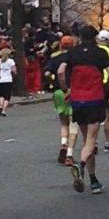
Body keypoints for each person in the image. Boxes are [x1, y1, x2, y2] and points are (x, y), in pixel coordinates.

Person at [58, 25, 109, 194]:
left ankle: (93, 180)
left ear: (80, 37)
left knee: (85, 140)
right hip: (95, 99)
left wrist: (66, 89)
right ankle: (81, 165)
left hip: (77, 100)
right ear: (95, 38)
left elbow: (61, 71)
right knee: (91, 141)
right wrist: (105, 86)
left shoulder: (72, 53)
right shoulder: (100, 53)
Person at [45, 35, 77, 166]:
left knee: (64, 123)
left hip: (58, 92)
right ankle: (69, 154)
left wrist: (51, 82)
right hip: (72, 91)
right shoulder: (75, 57)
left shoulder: (54, 57)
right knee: (73, 123)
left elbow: (47, 73)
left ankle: (63, 143)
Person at [0, 48, 16, 117]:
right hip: (8, 80)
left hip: (0, 80)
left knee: (1, 95)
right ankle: (4, 110)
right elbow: (14, 70)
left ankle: (0, 106)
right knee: (7, 96)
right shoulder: (11, 61)